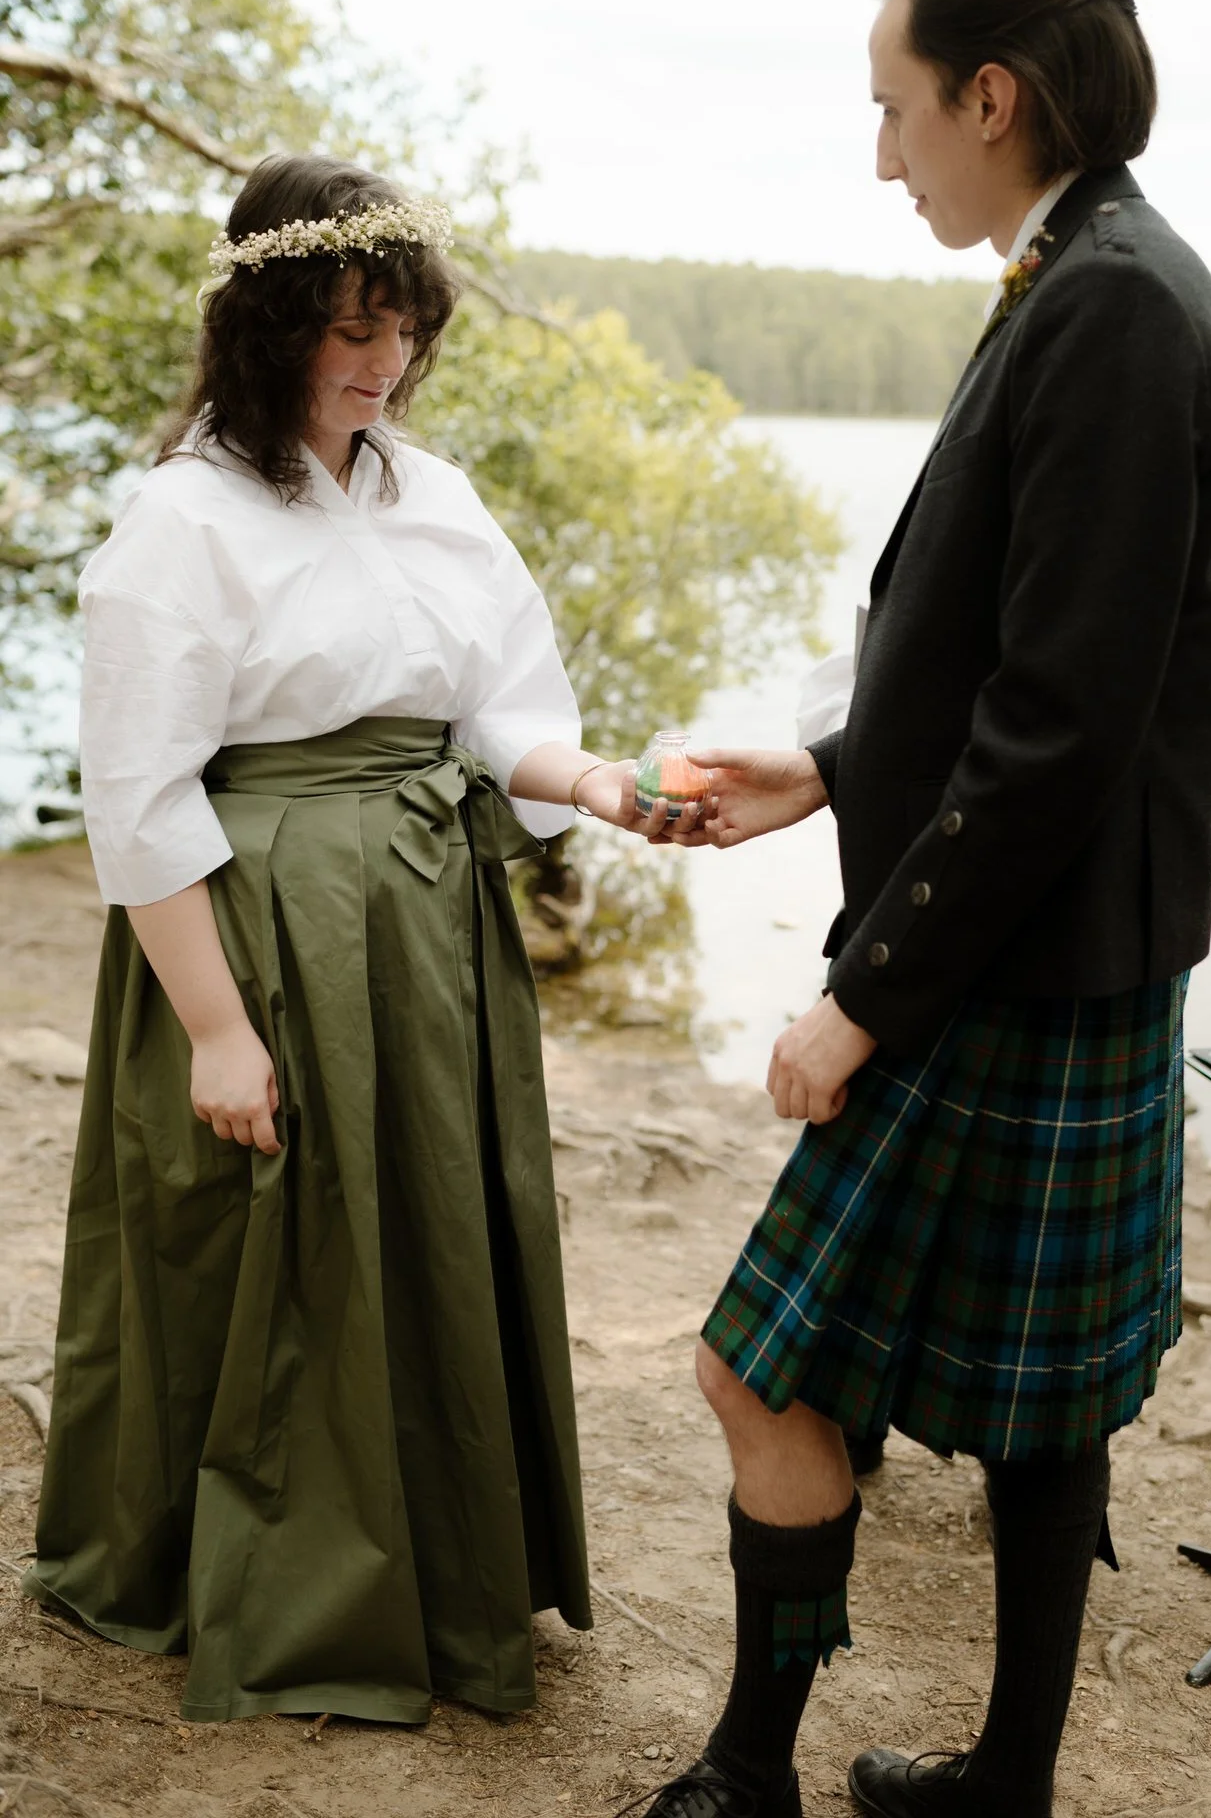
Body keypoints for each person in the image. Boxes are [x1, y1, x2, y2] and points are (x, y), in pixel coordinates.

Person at [627, 0, 1211, 1818]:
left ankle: (753, 1773)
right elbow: (1013, 656)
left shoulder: (1113, 304)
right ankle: (1004, 1787)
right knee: (1040, 1414)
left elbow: (1055, 727)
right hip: (1047, 947)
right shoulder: (1082, 270)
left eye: (892, 108)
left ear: (991, 94)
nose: (881, 154)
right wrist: (824, 771)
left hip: (1007, 965)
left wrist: (859, 1000)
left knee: (762, 1367)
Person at [23, 153, 693, 1727]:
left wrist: (602, 785)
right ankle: (275, 1586)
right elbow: (138, 794)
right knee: (280, 1250)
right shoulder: (182, 521)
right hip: (257, 933)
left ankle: (442, 1565)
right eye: (349, 327)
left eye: (402, 327)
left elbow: (500, 712)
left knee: (427, 1228)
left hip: (422, 923)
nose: (384, 360)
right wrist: (215, 1028)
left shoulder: (429, 494)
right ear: (269, 327)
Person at [800, 620, 1211, 1478]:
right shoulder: (919, 607)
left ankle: (1003, 1482)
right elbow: (838, 747)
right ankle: (855, 1433)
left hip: (1062, 1045)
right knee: (867, 1268)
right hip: (914, 997)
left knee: (1045, 1343)